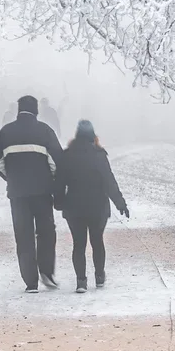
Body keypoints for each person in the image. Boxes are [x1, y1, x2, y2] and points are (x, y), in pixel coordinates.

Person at [0, 95, 65, 293]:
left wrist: (12, 178)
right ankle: (47, 272)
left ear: (18, 110)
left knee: (23, 235)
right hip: (42, 192)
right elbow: (57, 162)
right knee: (46, 232)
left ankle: (30, 282)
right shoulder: (45, 131)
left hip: (18, 194)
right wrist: (51, 182)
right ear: (36, 110)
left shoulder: (5, 132)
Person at [55, 120, 128, 293]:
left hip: (74, 207)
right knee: (97, 241)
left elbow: (59, 182)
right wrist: (120, 203)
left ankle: (81, 281)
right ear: (93, 136)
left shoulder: (67, 155)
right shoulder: (99, 155)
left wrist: (58, 202)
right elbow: (109, 182)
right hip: (98, 207)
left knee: (78, 244)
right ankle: (100, 276)